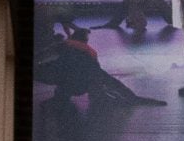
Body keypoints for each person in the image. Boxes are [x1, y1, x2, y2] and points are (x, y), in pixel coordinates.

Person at [36, 21, 165, 108]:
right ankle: (71, 95)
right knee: (93, 79)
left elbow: (45, 65)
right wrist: (135, 98)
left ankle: (61, 97)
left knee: (67, 75)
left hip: (68, 82)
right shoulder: (89, 53)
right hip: (83, 83)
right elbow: (109, 80)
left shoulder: (63, 47)